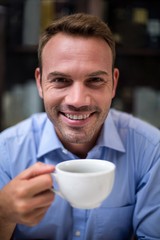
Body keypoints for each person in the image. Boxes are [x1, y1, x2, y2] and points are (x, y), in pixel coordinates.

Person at [0, 13, 160, 240]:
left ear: (113, 84)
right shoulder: (6, 152)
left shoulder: (152, 151)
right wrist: (3, 215)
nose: (77, 100)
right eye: (60, 80)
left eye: (95, 80)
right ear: (40, 83)